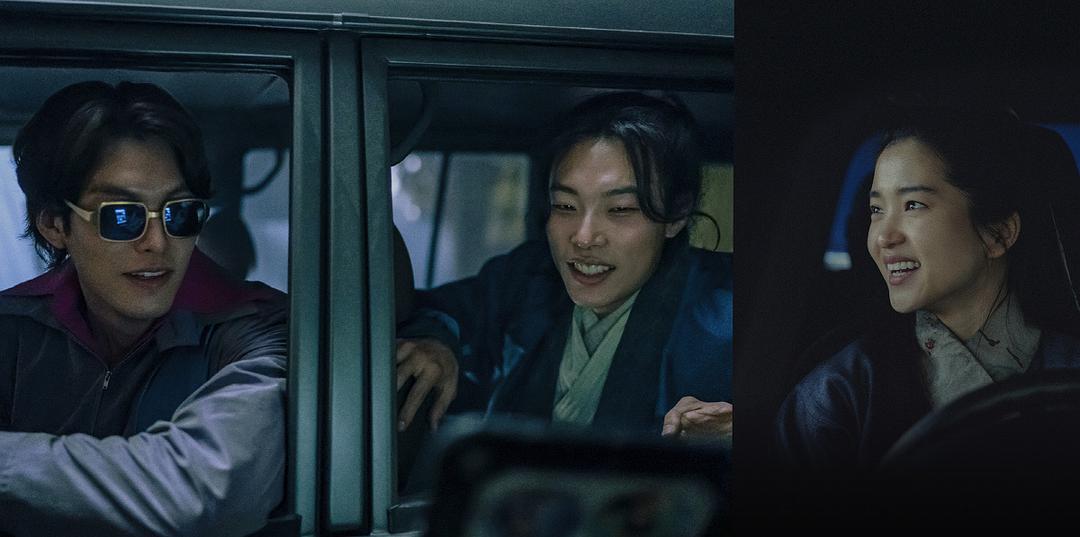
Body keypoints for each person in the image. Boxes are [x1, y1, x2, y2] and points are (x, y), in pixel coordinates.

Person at [0, 81, 288, 536]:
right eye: (122, 216)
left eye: (179, 214)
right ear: (55, 224)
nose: (157, 243)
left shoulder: (259, 330)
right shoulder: (13, 329)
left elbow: (203, 491)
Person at [395, 92, 732, 440]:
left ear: (676, 215)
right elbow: (446, 313)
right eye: (565, 206)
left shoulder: (728, 314)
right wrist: (436, 343)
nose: (583, 238)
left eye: (620, 210)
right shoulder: (527, 279)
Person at [775, 105, 1080, 470]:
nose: (883, 237)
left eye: (913, 205)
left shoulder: (1070, 371)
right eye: (876, 210)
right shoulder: (836, 396)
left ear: (999, 233)